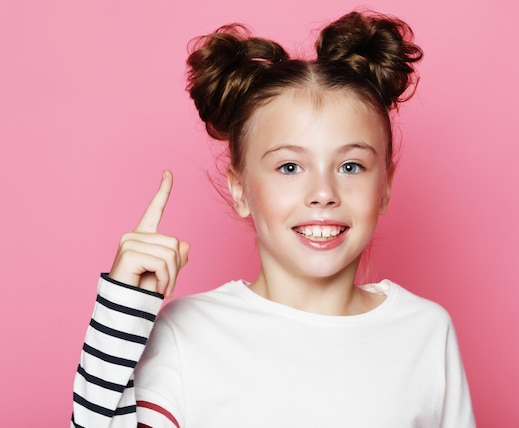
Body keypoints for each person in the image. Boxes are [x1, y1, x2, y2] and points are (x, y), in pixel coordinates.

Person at [71, 10, 475, 428]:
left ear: (385, 185)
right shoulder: (187, 335)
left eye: (351, 166)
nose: (323, 194)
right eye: (289, 167)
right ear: (240, 188)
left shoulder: (425, 332)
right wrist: (120, 312)